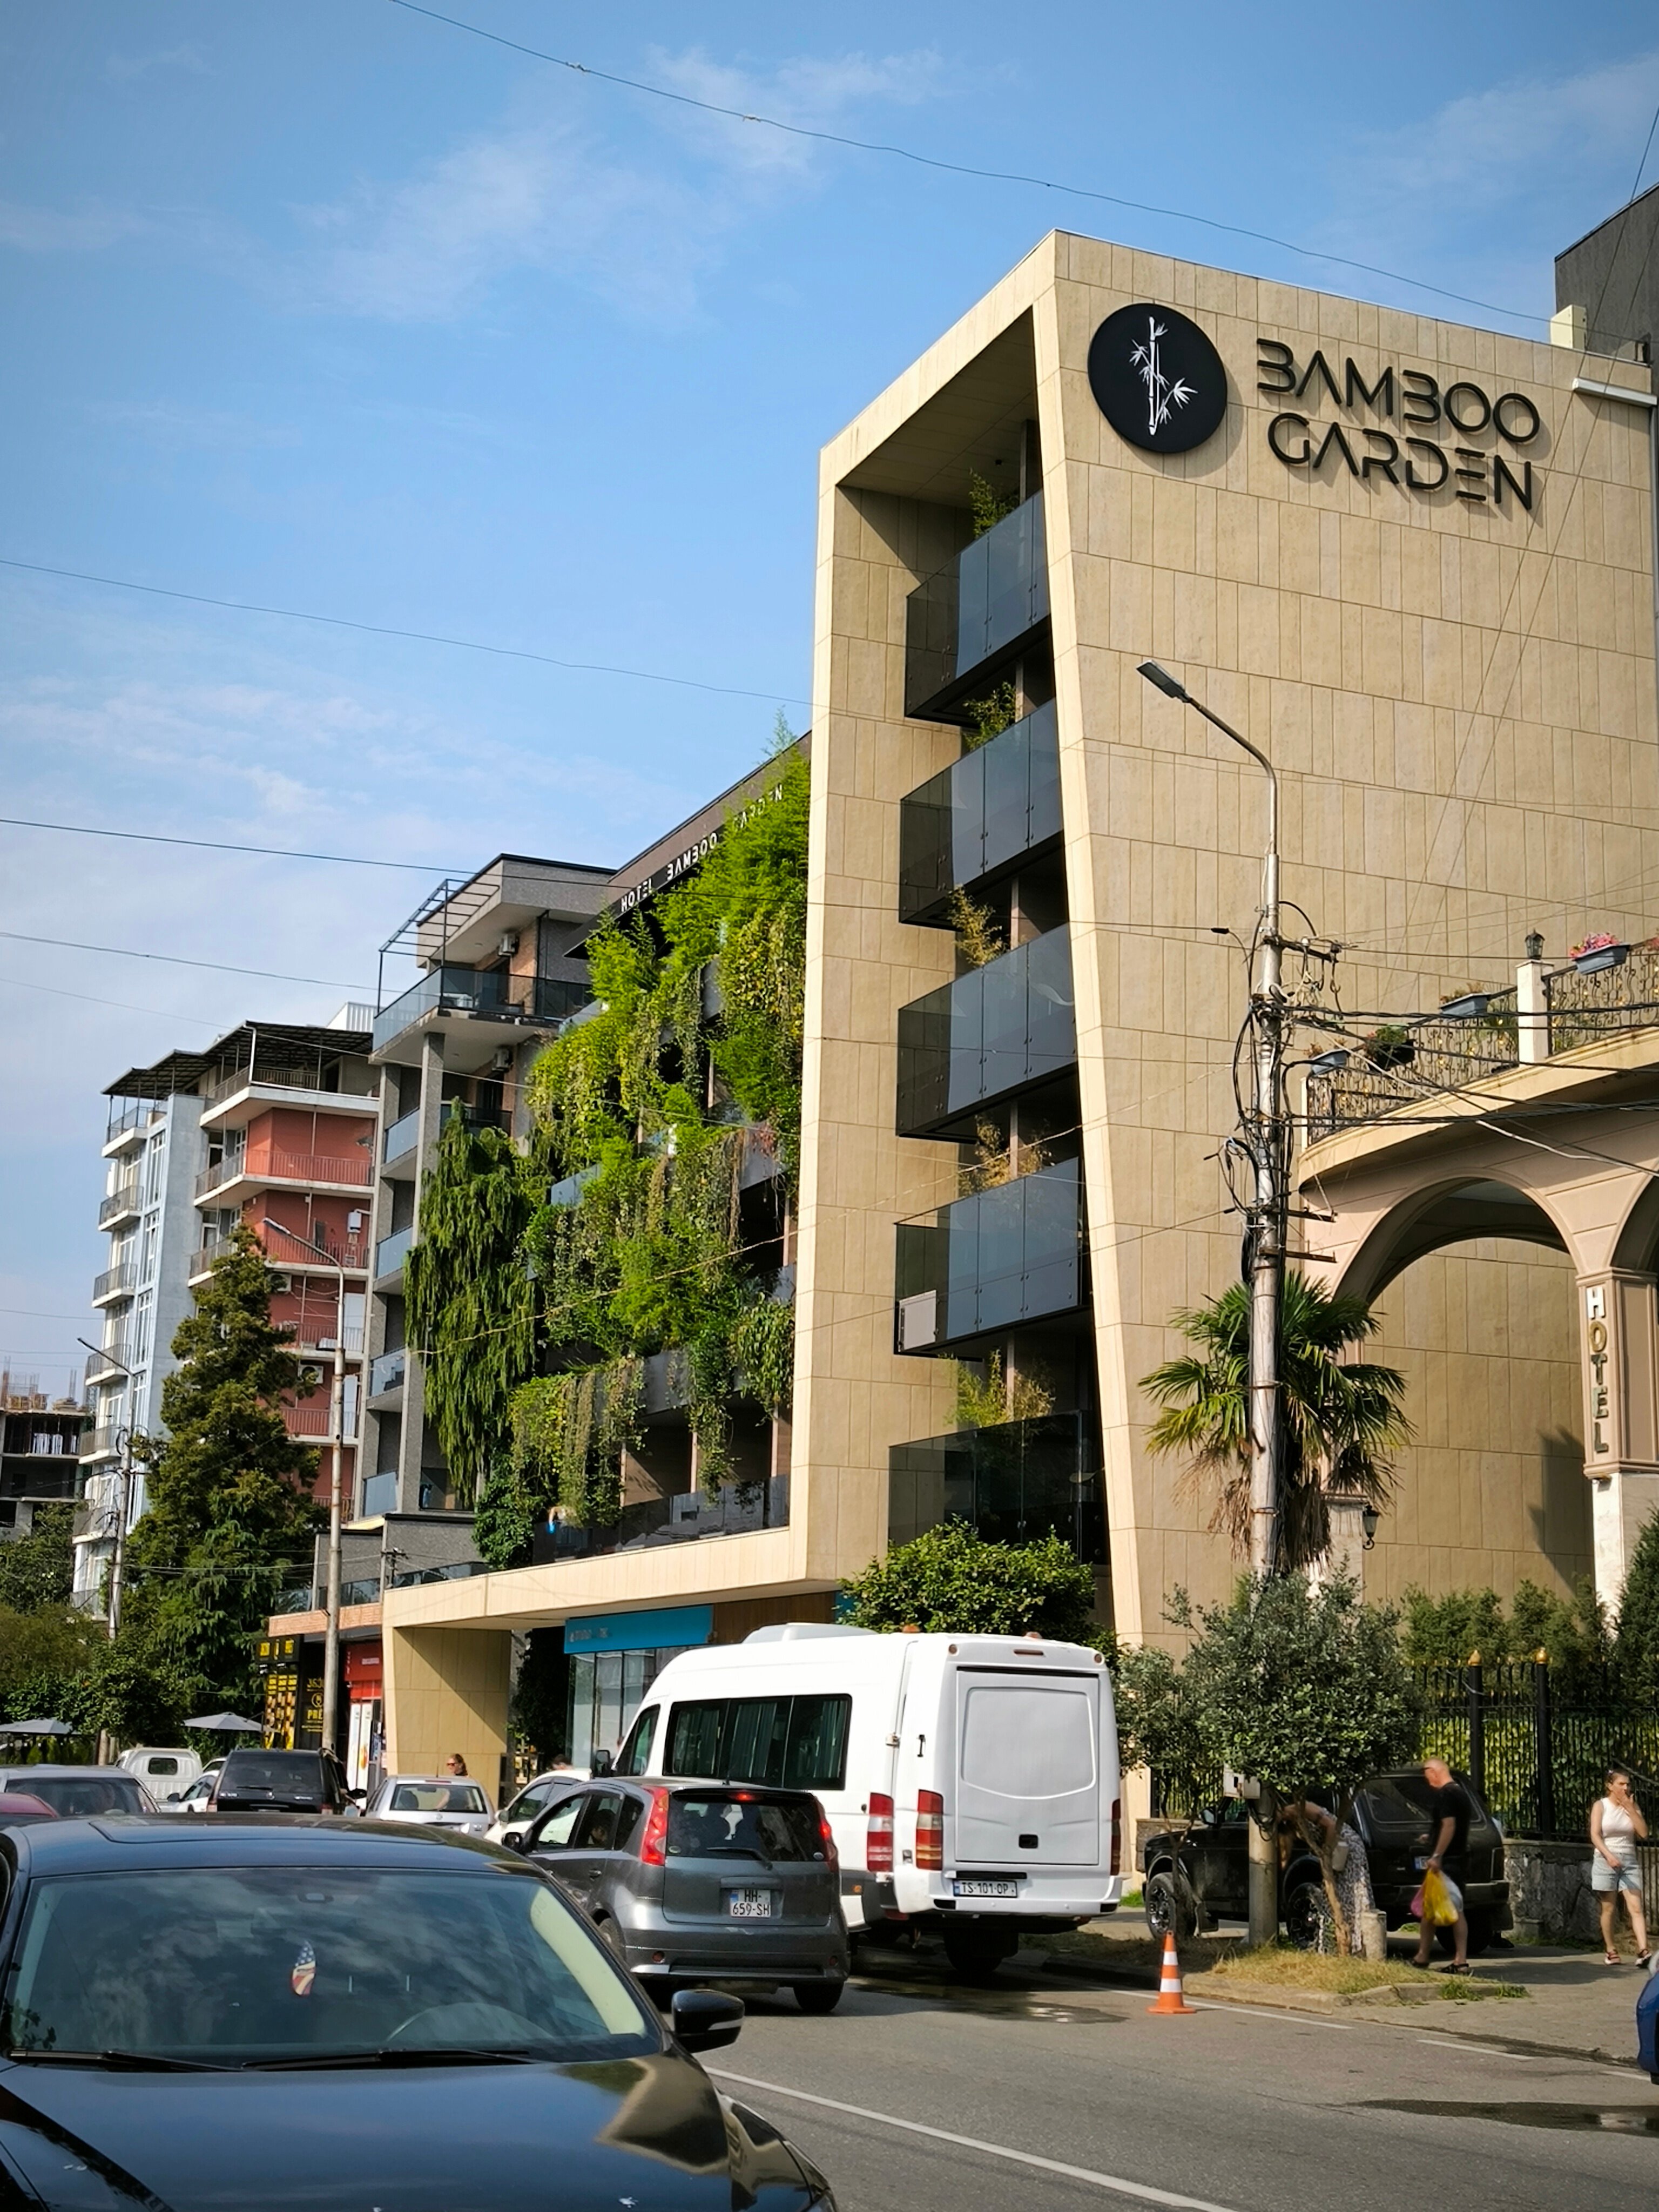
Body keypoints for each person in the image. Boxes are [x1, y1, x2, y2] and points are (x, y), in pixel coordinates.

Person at [1279, 1799, 1375, 1953]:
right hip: (1332, 1851)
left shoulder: (1302, 1809)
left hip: (1345, 1846)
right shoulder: (1287, 1825)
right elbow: (1285, 1853)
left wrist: (1327, 1852)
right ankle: (1337, 1942)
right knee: (1333, 1895)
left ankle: (1359, 1944)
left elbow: (1330, 1825)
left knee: (1351, 1893)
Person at [1410, 1756, 1472, 1975]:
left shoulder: (1446, 1794)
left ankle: (1460, 1961)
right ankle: (1423, 1955)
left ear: (1434, 1772)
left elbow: (1449, 1825)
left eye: (1428, 1776)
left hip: (1447, 1863)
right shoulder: (1461, 1793)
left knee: (1455, 1911)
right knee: (1431, 1909)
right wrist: (1432, 1836)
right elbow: (1450, 1827)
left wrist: (1437, 1854)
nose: (1428, 1782)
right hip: (1458, 1859)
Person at [1590, 1767, 1650, 1966]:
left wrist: (1631, 1810)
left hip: (1629, 1860)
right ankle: (1610, 1949)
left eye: (1628, 1784)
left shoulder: (1632, 1806)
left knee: (1636, 1907)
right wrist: (1609, 1856)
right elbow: (1595, 1835)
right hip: (1606, 1858)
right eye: (1621, 1784)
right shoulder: (1601, 1806)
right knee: (1609, 1908)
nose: (1626, 1788)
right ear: (1610, 1786)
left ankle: (1643, 1951)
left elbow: (1643, 1833)